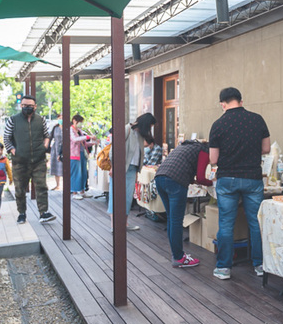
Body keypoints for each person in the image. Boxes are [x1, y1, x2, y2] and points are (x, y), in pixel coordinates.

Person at [208, 87, 270, 280]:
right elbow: (266, 148)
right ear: (241, 101)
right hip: (252, 178)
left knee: (226, 223)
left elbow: (213, 159)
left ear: (222, 104)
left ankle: (224, 268)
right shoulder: (257, 119)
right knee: (256, 222)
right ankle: (260, 265)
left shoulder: (218, 124)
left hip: (227, 180)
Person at [154, 140, 212, 268]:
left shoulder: (186, 146)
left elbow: (183, 166)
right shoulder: (204, 151)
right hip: (175, 182)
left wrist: (194, 180)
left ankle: (176, 254)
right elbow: (202, 178)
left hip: (159, 178)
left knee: (171, 218)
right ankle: (179, 257)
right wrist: (213, 182)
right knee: (176, 220)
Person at [3, 95, 55, 224]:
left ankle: (43, 213)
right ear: (21, 106)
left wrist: (45, 146)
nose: (27, 108)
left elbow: (46, 135)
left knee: (42, 187)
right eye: (24, 105)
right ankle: (21, 213)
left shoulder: (41, 120)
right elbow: (6, 137)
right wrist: (13, 150)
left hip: (39, 160)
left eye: (30, 106)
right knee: (20, 189)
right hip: (20, 161)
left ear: (35, 107)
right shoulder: (13, 120)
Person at [108, 113, 156, 231]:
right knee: (115, 195)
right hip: (120, 167)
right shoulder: (126, 129)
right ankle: (114, 225)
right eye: (150, 126)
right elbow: (114, 148)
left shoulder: (140, 134)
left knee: (128, 198)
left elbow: (138, 153)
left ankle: (124, 224)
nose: (150, 128)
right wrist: (113, 166)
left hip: (132, 169)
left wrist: (136, 172)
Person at [70, 115, 96, 200]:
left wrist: (93, 143)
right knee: (76, 173)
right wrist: (88, 137)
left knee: (83, 173)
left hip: (82, 153)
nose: (81, 124)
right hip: (74, 155)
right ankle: (74, 192)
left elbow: (84, 143)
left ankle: (82, 191)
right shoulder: (70, 130)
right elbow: (74, 139)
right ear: (74, 121)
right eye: (80, 122)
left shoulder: (80, 131)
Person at [48, 117, 63, 190]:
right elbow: (49, 137)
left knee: (65, 167)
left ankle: (68, 185)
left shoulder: (68, 127)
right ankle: (57, 185)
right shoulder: (55, 128)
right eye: (59, 118)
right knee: (56, 167)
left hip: (64, 149)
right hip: (56, 148)